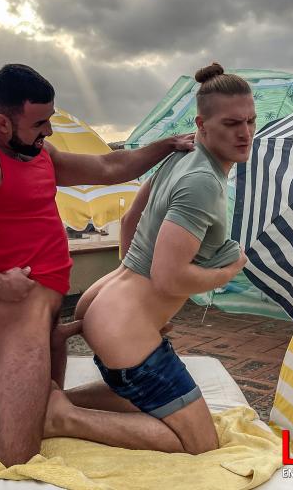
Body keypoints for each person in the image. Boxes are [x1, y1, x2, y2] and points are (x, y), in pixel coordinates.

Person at [0, 64, 194, 467]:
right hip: (18, 316)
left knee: (43, 407)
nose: (49, 130)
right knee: (11, 455)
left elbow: (109, 167)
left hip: (47, 313)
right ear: (2, 123)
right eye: (39, 123)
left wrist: (168, 145)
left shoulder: (40, 153)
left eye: (49, 119)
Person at [37, 63, 256, 454]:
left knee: (138, 396)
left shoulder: (183, 153)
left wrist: (133, 288)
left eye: (251, 121)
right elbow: (169, 277)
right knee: (199, 442)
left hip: (106, 304)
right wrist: (226, 271)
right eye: (231, 123)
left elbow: (129, 220)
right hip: (123, 327)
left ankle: (58, 401)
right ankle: (61, 418)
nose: (245, 133)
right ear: (202, 124)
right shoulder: (203, 182)